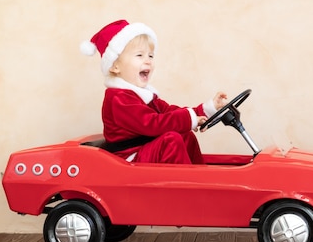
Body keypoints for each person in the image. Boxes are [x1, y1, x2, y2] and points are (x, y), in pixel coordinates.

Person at [80, 19, 226, 164]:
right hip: (128, 158)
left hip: (143, 149)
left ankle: (201, 179)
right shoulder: (118, 98)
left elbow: (169, 112)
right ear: (115, 67)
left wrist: (205, 110)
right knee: (170, 141)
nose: (148, 60)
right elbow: (152, 124)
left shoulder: (144, 96)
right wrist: (189, 119)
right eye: (139, 55)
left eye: (150, 56)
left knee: (186, 135)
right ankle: (187, 185)